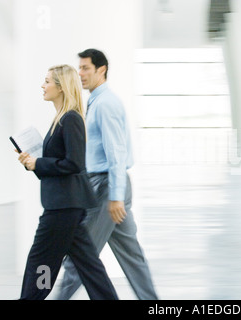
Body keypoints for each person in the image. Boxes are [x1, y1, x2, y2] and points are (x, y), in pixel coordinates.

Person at [55, 49, 158, 300]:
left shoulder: (105, 104)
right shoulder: (96, 102)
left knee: (81, 254)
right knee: (132, 256)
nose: (80, 74)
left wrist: (115, 197)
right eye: (79, 68)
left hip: (106, 187)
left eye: (86, 68)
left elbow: (116, 153)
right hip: (107, 185)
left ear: (102, 70)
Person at [16, 64, 119, 300]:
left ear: (61, 88)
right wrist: (31, 162)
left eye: (47, 81)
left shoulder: (70, 118)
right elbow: (57, 165)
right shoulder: (61, 118)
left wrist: (38, 163)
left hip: (62, 208)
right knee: (89, 266)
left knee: (42, 261)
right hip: (66, 206)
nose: (43, 86)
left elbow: (74, 164)